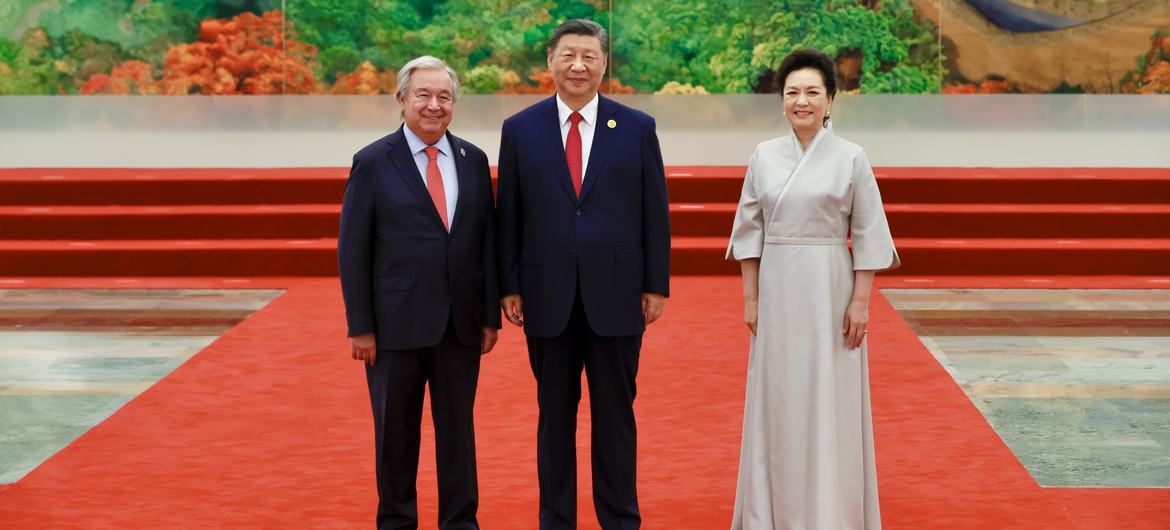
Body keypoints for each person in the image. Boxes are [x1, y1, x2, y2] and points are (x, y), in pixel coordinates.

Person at [495, 18, 671, 530]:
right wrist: (509, 283)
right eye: (568, 55)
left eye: (589, 56)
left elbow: (653, 211)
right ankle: (557, 520)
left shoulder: (636, 127)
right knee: (554, 420)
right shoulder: (520, 128)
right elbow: (510, 212)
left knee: (616, 417)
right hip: (546, 295)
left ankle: (619, 519)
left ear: (603, 63)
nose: (578, 65)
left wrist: (655, 283)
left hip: (617, 296)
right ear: (549, 61)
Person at [726, 49, 900, 530]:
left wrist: (860, 302)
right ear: (781, 100)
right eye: (792, 93)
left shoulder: (851, 156)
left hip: (831, 287)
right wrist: (752, 297)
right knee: (779, 396)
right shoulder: (764, 155)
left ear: (830, 100)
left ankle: (831, 513)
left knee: (831, 397)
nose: (801, 101)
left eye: (812, 93)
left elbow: (868, 233)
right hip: (778, 286)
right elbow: (748, 231)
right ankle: (769, 514)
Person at [337, 55, 500, 530]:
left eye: (444, 96)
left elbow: (484, 242)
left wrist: (488, 313)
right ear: (402, 100)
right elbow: (353, 250)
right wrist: (360, 326)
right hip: (394, 326)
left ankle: (460, 521)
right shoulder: (372, 161)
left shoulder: (473, 159)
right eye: (424, 95)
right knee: (395, 436)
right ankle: (396, 521)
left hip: (460, 324)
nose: (434, 105)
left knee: (458, 435)